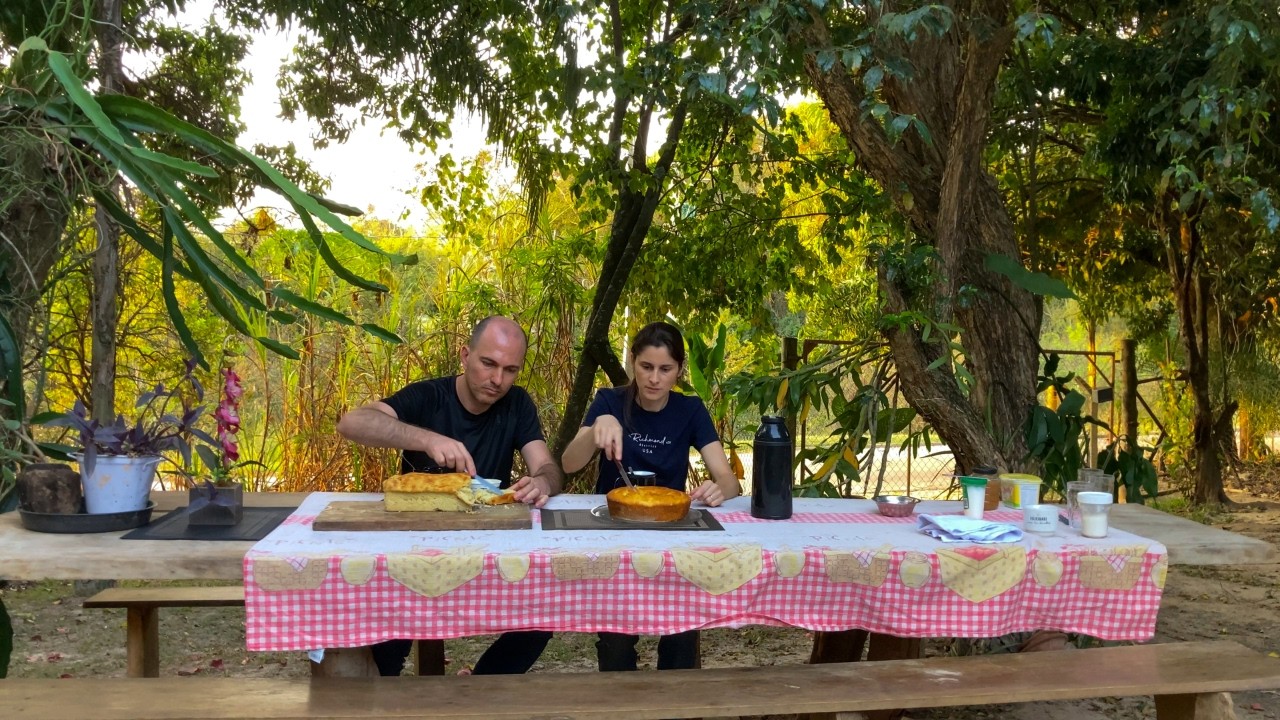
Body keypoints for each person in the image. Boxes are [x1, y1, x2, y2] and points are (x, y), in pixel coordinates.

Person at [336, 315, 563, 676]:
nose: (497, 380)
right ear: (464, 355)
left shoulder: (517, 404)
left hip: (485, 553)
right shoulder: (429, 396)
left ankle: (481, 689)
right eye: (488, 363)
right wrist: (427, 439)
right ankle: (384, 693)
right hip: (412, 553)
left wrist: (543, 483)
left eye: (509, 370)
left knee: (544, 614)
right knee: (387, 632)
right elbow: (352, 423)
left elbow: (547, 467)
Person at [560, 320, 740, 671]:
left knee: (681, 633)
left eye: (665, 369)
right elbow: (569, 464)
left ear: (678, 371)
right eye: (646, 367)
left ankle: (674, 703)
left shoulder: (689, 410)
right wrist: (597, 429)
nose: (654, 378)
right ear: (632, 363)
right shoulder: (609, 401)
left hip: (672, 537)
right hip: (615, 535)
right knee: (615, 640)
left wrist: (720, 489)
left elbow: (729, 481)